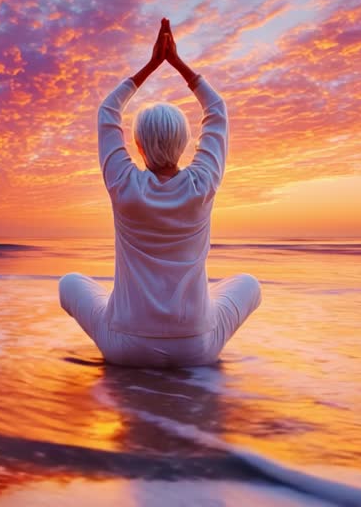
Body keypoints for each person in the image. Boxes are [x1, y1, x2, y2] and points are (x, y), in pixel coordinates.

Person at [59, 18, 262, 368]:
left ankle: (130, 313)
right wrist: (179, 65)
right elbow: (217, 111)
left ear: (137, 146)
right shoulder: (202, 184)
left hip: (124, 346)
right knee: (249, 284)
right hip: (196, 348)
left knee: (69, 283)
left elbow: (108, 111)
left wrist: (151, 65)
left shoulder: (124, 185)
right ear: (185, 143)